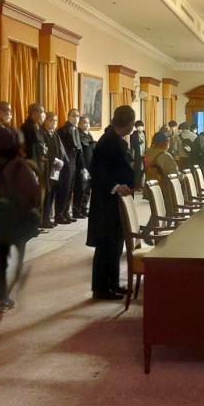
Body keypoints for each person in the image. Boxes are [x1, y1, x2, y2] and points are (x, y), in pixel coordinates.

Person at [0, 128, 41, 313]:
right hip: (17, 222)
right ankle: (15, 278)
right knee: (18, 254)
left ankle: (1, 297)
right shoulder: (22, 168)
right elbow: (34, 196)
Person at [87, 105, 136, 300]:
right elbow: (97, 171)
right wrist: (116, 186)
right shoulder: (110, 142)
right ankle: (101, 288)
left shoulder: (115, 139)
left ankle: (113, 283)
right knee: (106, 245)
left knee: (115, 244)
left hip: (114, 201)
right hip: (106, 202)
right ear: (128, 122)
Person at [43, 112, 71, 227]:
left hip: (56, 168)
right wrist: (54, 159)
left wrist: (63, 162)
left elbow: (61, 150)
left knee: (53, 192)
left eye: (56, 121)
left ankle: (49, 218)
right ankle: (44, 219)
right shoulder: (43, 133)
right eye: (52, 120)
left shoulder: (54, 134)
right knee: (47, 194)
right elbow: (44, 151)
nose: (54, 123)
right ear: (46, 121)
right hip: (47, 167)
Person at [58, 109, 85, 219]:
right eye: (74, 115)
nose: (76, 118)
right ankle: (60, 214)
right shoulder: (63, 130)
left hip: (74, 161)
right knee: (64, 188)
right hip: (66, 161)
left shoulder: (76, 130)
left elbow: (79, 148)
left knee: (70, 189)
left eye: (78, 116)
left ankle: (66, 213)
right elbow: (60, 148)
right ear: (69, 116)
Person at [76, 116, 95, 216]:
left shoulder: (89, 135)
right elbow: (80, 152)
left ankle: (84, 208)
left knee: (87, 188)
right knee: (81, 189)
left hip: (90, 164)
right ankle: (77, 210)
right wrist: (82, 167)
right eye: (84, 123)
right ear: (79, 124)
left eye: (88, 123)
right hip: (82, 165)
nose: (87, 125)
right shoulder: (78, 134)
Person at [129, 120, 147, 191]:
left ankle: (141, 185)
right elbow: (132, 147)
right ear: (136, 127)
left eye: (141, 126)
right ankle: (137, 186)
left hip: (144, 155)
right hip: (137, 156)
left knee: (143, 170)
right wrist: (132, 158)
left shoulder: (144, 133)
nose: (140, 128)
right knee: (138, 171)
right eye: (138, 126)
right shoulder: (133, 135)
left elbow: (145, 143)